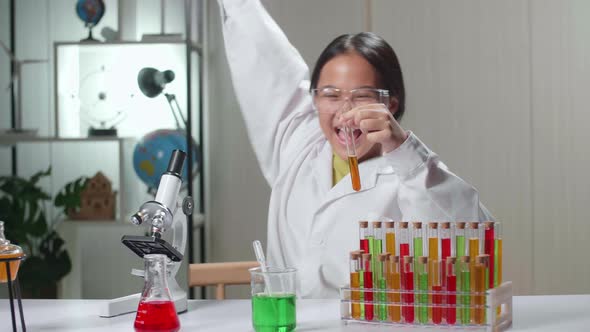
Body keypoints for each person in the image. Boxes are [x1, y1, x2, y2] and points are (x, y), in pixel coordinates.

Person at [217, 0, 493, 298]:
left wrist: (402, 149)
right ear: (315, 100)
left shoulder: (413, 175)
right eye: (331, 95)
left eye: (362, 97)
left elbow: (473, 241)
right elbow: (267, 61)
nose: (345, 112)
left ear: (391, 103)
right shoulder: (298, 142)